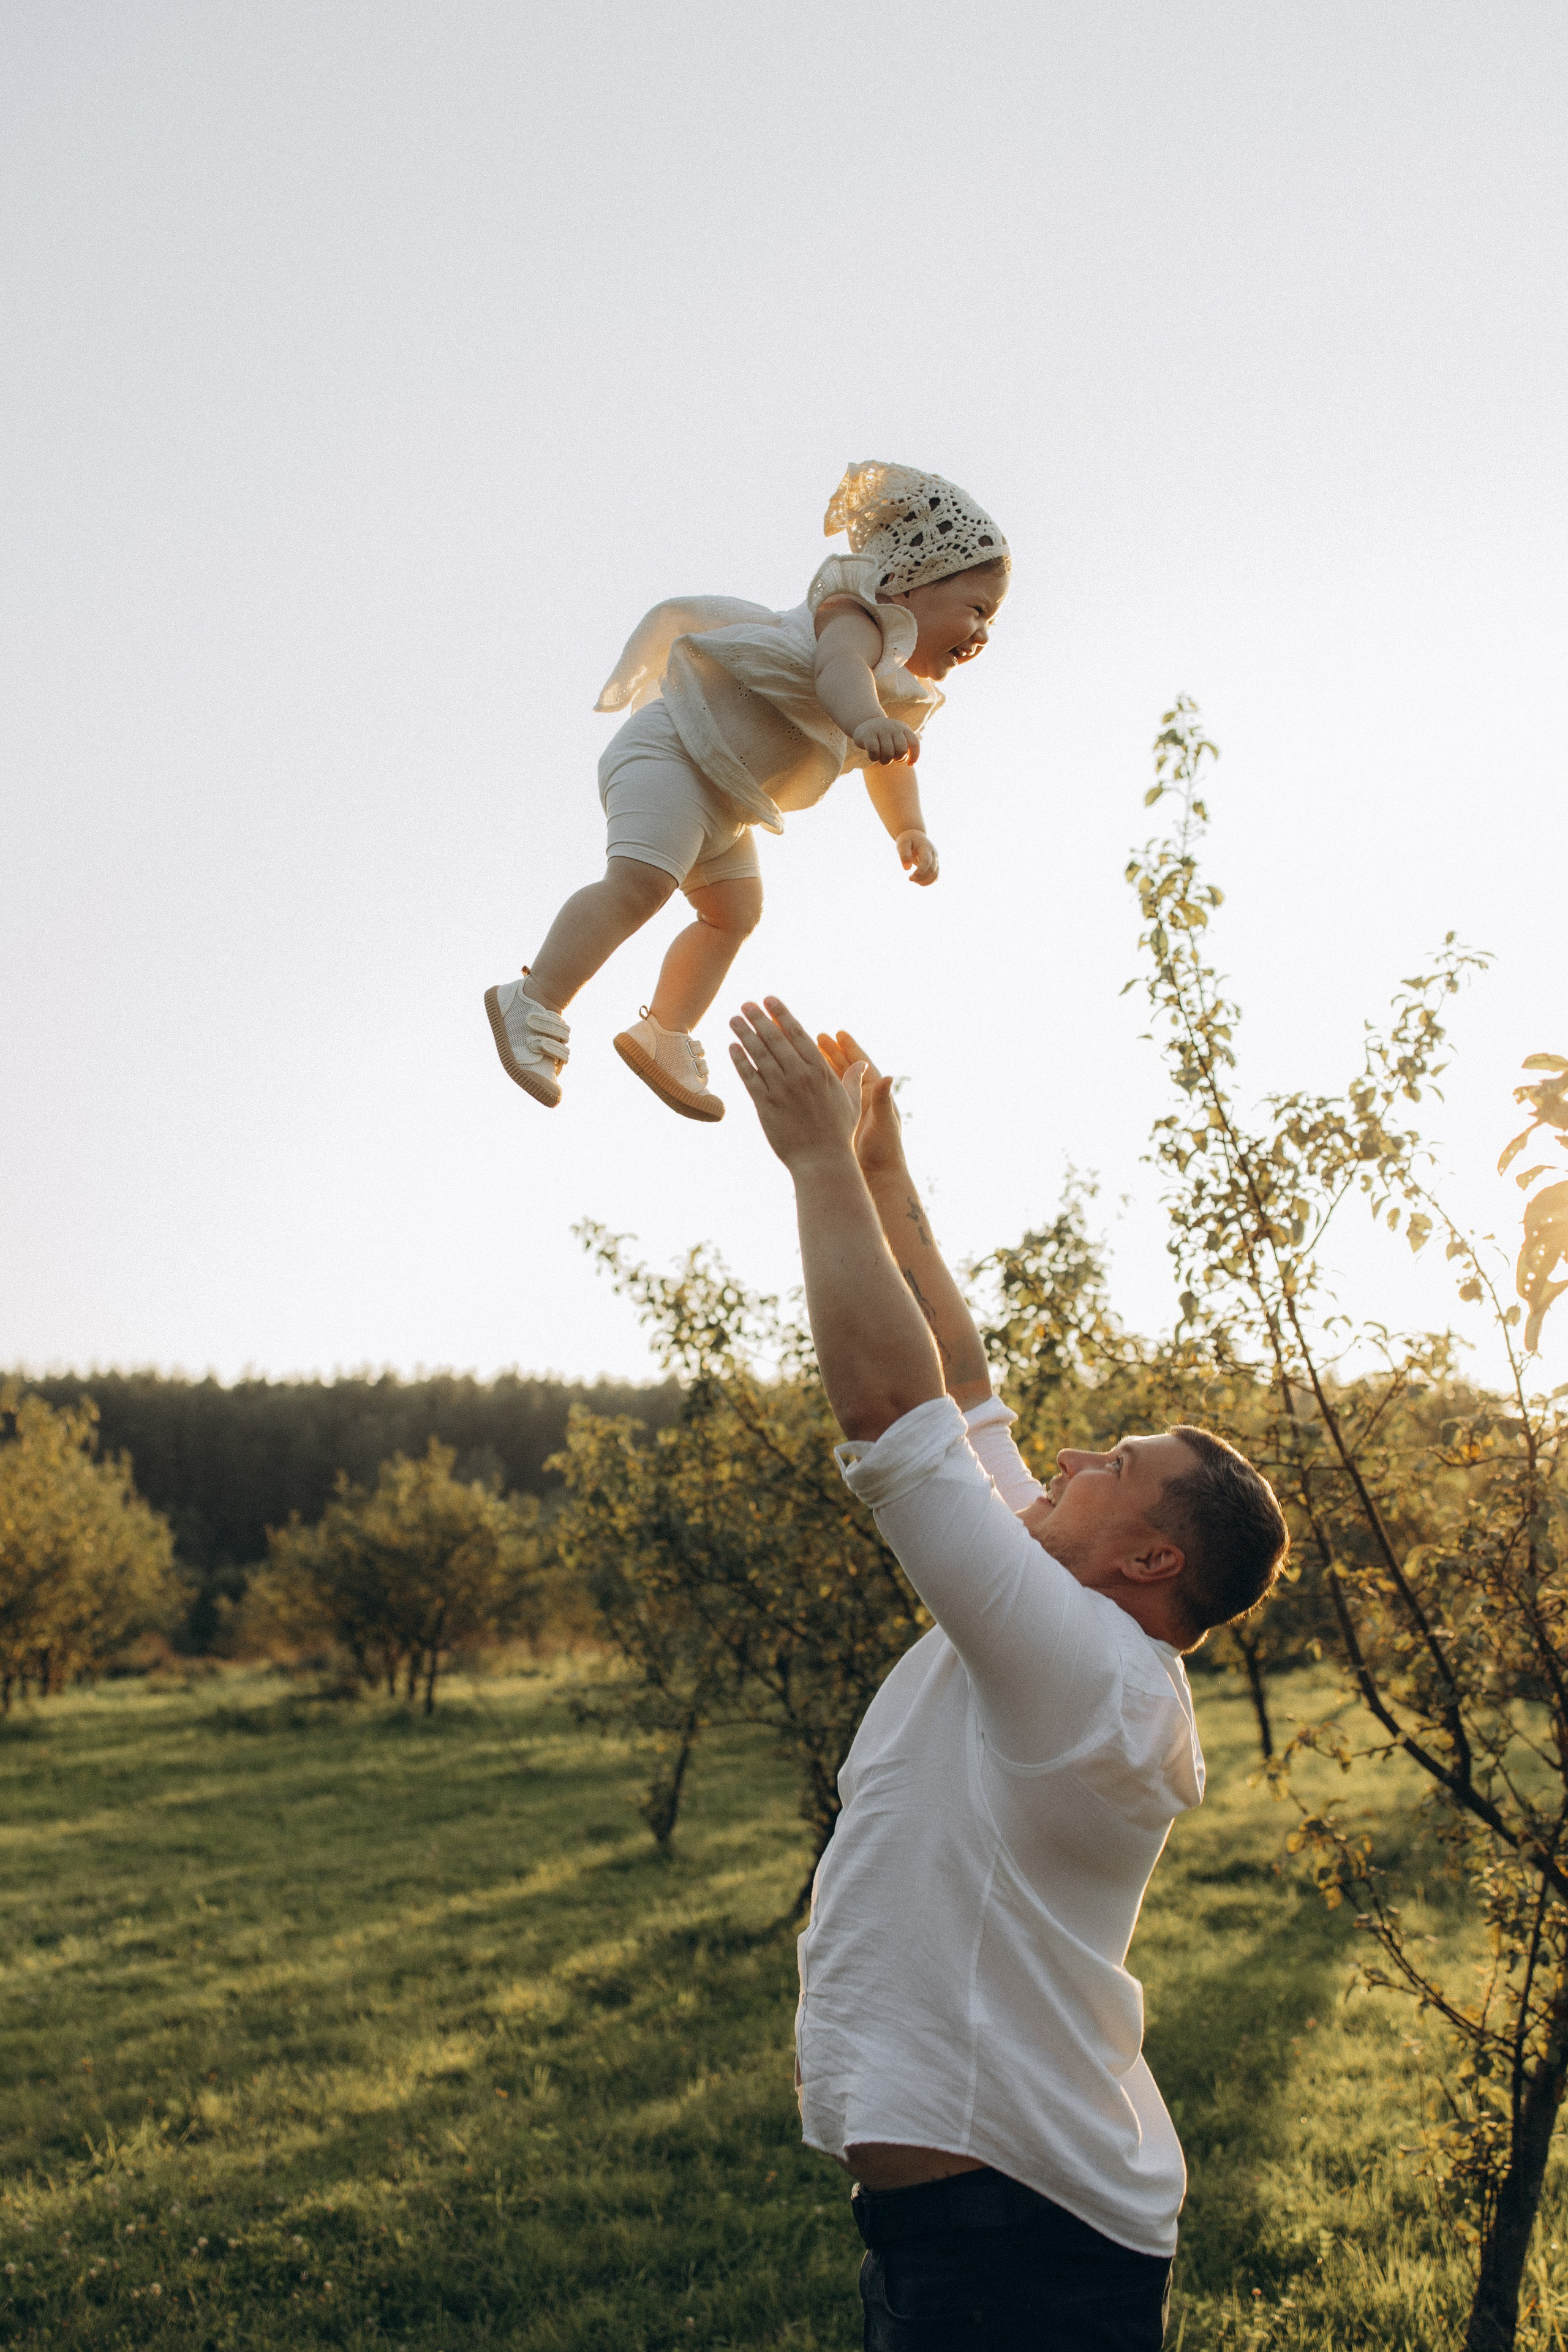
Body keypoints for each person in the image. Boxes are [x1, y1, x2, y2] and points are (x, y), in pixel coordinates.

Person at [726, 998, 1291, 2351]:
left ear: (1150, 1560)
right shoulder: (1066, 1614)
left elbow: (895, 1420)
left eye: (1117, 1462)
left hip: (1017, 2260)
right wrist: (879, 1173)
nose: (1077, 1457)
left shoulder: (1082, 1669)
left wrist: (808, 1163)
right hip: (972, 2245)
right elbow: (964, 1389)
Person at [483, 462, 1009, 1123]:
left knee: (734, 913)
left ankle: (662, 1034)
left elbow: (889, 763)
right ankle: (532, 999)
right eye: (977, 609)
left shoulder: (896, 693)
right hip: (672, 752)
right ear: (913, 580)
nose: (984, 633)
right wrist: (863, 718)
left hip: (727, 804)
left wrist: (909, 828)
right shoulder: (854, 617)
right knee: (641, 883)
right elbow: (837, 672)